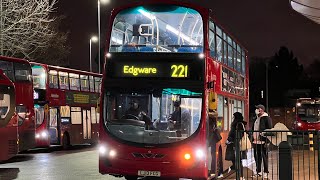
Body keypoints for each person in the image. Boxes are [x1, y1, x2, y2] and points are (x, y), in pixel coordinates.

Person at [251, 104, 272, 178]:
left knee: (264, 157)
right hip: (255, 141)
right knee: (257, 157)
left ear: (262, 110)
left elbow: (269, 129)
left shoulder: (266, 118)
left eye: (258, 108)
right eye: (256, 108)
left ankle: (266, 172)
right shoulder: (256, 118)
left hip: (263, 141)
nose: (256, 110)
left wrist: (267, 141)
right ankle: (258, 171)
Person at [225, 112, 247, 180]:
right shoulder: (239, 123)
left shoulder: (238, 124)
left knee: (238, 160)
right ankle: (238, 175)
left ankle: (240, 176)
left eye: (234, 117)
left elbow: (237, 134)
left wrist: (231, 140)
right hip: (235, 144)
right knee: (236, 160)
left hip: (237, 144)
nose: (233, 118)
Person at [208, 109, 223, 179]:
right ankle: (211, 170)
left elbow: (215, 114)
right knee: (211, 156)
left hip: (212, 140)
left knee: (212, 155)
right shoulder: (210, 118)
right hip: (210, 140)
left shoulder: (212, 118)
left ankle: (212, 171)